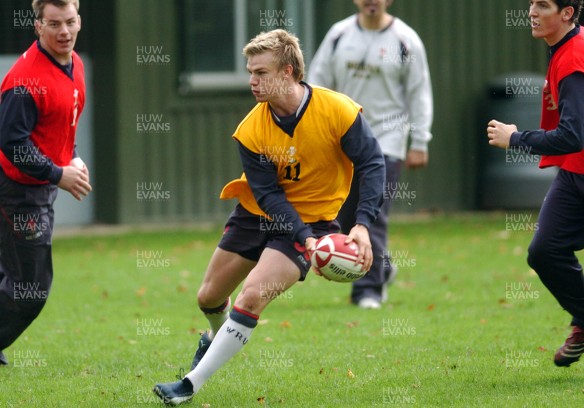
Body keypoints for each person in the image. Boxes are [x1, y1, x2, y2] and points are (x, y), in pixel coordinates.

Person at [153, 29, 385, 404]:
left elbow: (372, 163)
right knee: (209, 298)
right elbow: (268, 194)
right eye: (250, 72)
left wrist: (360, 225)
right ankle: (213, 336)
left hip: (314, 222)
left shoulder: (338, 110)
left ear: (289, 72)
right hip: (256, 214)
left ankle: (189, 385)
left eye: (261, 72)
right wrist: (303, 235)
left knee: (251, 297)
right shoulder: (251, 130)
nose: (252, 81)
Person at [0, 0, 91, 367]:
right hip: (14, 191)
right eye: (54, 23)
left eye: (70, 21)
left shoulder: (73, 63)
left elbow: (61, 123)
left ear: (79, 20)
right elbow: (14, 144)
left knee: (9, 268)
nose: (64, 31)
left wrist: (71, 155)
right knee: (31, 288)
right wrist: (59, 174)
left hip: (35, 189)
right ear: (38, 26)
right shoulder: (23, 80)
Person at [307, 0, 433, 309]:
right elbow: (317, 83)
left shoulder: (405, 40)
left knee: (372, 216)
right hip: (343, 140)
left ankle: (368, 291)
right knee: (344, 218)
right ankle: (383, 266)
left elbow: (419, 91)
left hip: (387, 142)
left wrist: (420, 141)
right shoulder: (339, 35)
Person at [488, 0, 584, 367]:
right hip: (575, 175)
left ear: (567, 13)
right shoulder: (564, 48)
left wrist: (515, 138)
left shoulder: (573, 58)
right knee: (544, 251)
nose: (531, 10)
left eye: (542, 4)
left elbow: (572, 135)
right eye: (531, 3)